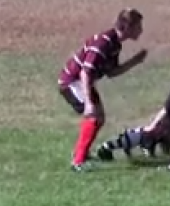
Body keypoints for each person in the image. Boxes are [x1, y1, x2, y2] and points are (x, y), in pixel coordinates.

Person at [57, 9, 148, 171]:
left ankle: (80, 154)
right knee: (94, 116)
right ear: (127, 27)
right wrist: (89, 102)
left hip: (83, 82)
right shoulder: (104, 43)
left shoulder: (115, 44)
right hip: (73, 82)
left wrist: (134, 61)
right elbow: (85, 72)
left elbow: (112, 72)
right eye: (138, 26)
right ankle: (78, 161)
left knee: (99, 118)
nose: (141, 30)